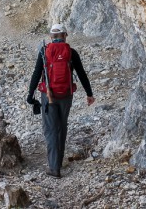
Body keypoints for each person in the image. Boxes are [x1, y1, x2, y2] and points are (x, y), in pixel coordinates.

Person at [27, 23, 95, 178]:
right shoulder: (71, 53)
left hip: (48, 95)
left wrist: (30, 95)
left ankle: (54, 167)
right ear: (65, 35)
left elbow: (36, 74)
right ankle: (58, 161)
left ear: (51, 37)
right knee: (61, 127)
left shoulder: (44, 52)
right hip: (66, 95)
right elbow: (82, 74)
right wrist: (89, 94)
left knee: (50, 129)